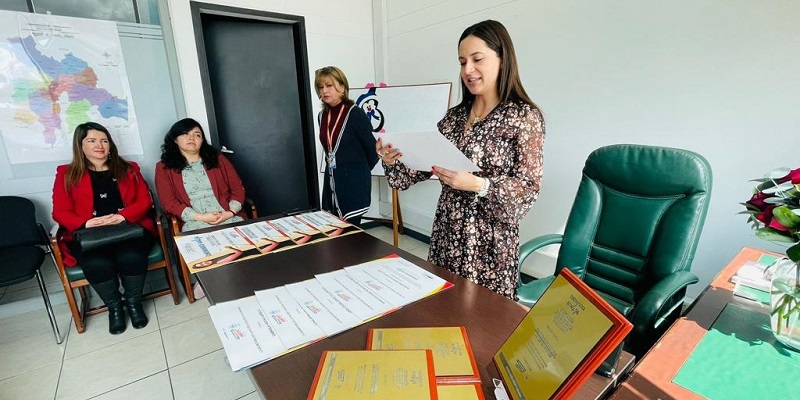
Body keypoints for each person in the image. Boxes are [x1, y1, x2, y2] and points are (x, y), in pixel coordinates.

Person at [375, 20, 545, 300]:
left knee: (488, 326)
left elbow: (528, 188)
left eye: (477, 59)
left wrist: (480, 185)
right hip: (447, 235)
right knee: (443, 310)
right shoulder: (453, 118)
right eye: (462, 61)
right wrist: (392, 160)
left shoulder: (523, 117)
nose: (468, 70)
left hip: (490, 244)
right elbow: (409, 175)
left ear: (503, 59)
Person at [52, 122, 156, 334]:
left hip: (128, 230)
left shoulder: (128, 169)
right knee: (97, 263)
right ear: (80, 146)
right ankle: (115, 308)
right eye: (92, 141)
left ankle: (134, 303)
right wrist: (86, 223)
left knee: (132, 257)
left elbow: (145, 201)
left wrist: (121, 216)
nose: (99, 145)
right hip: (91, 235)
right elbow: (59, 212)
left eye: (104, 140)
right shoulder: (67, 174)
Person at [155, 118, 247, 233]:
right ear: (175, 139)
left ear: (202, 140)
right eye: (185, 134)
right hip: (194, 222)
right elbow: (168, 203)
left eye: (197, 135)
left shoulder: (218, 159)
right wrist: (201, 217)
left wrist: (230, 213)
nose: (191, 138)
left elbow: (237, 189)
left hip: (226, 215)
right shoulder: (164, 168)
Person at [314, 66, 380, 226]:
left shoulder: (354, 113)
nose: (324, 91)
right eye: (321, 87)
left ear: (342, 87)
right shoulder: (322, 115)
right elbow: (329, 148)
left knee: (351, 233)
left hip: (353, 184)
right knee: (333, 229)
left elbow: (373, 150)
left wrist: (357, 172)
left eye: (329, 85)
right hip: (332, 182)